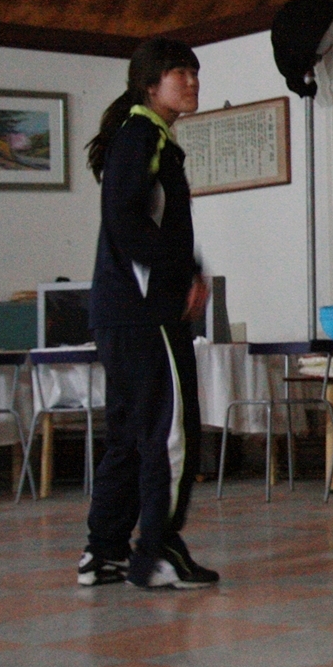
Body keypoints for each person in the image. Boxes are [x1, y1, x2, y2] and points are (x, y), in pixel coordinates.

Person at [77, 38, 220, 590]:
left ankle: (104, 552)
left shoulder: (143, 137)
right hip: (146, 314)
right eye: (179, 72)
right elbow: (127, 221)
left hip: (121, 313)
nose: (192, 81)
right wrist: (184, 274)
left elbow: (152, 224)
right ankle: (157, 551)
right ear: (149, 84)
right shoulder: (142, 137)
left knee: (130, 436)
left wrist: (191, 267)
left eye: (194, 71)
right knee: (170, 433)